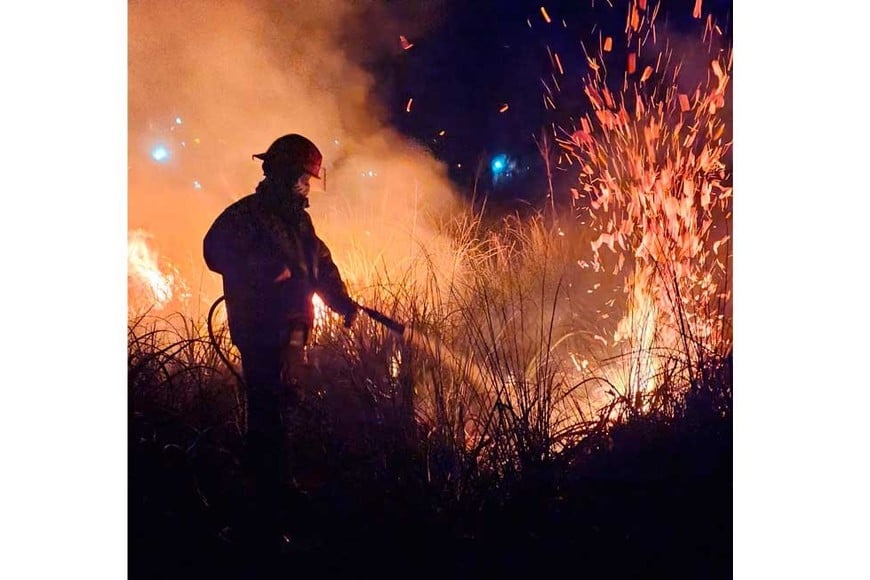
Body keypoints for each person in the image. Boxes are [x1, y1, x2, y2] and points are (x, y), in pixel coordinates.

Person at [203, 133, 359, 539]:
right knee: (267, 409)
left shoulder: (299, 222)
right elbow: (214, 252)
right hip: (259, 330)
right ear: (283, 174)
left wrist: (342, 302)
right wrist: (265, 270)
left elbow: (319, 265)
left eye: (309, 180)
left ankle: (278, 486)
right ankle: (262, 504)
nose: (307, 186)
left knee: (285, 404)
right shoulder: (246, 215)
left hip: (294, 330)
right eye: (303, 178)